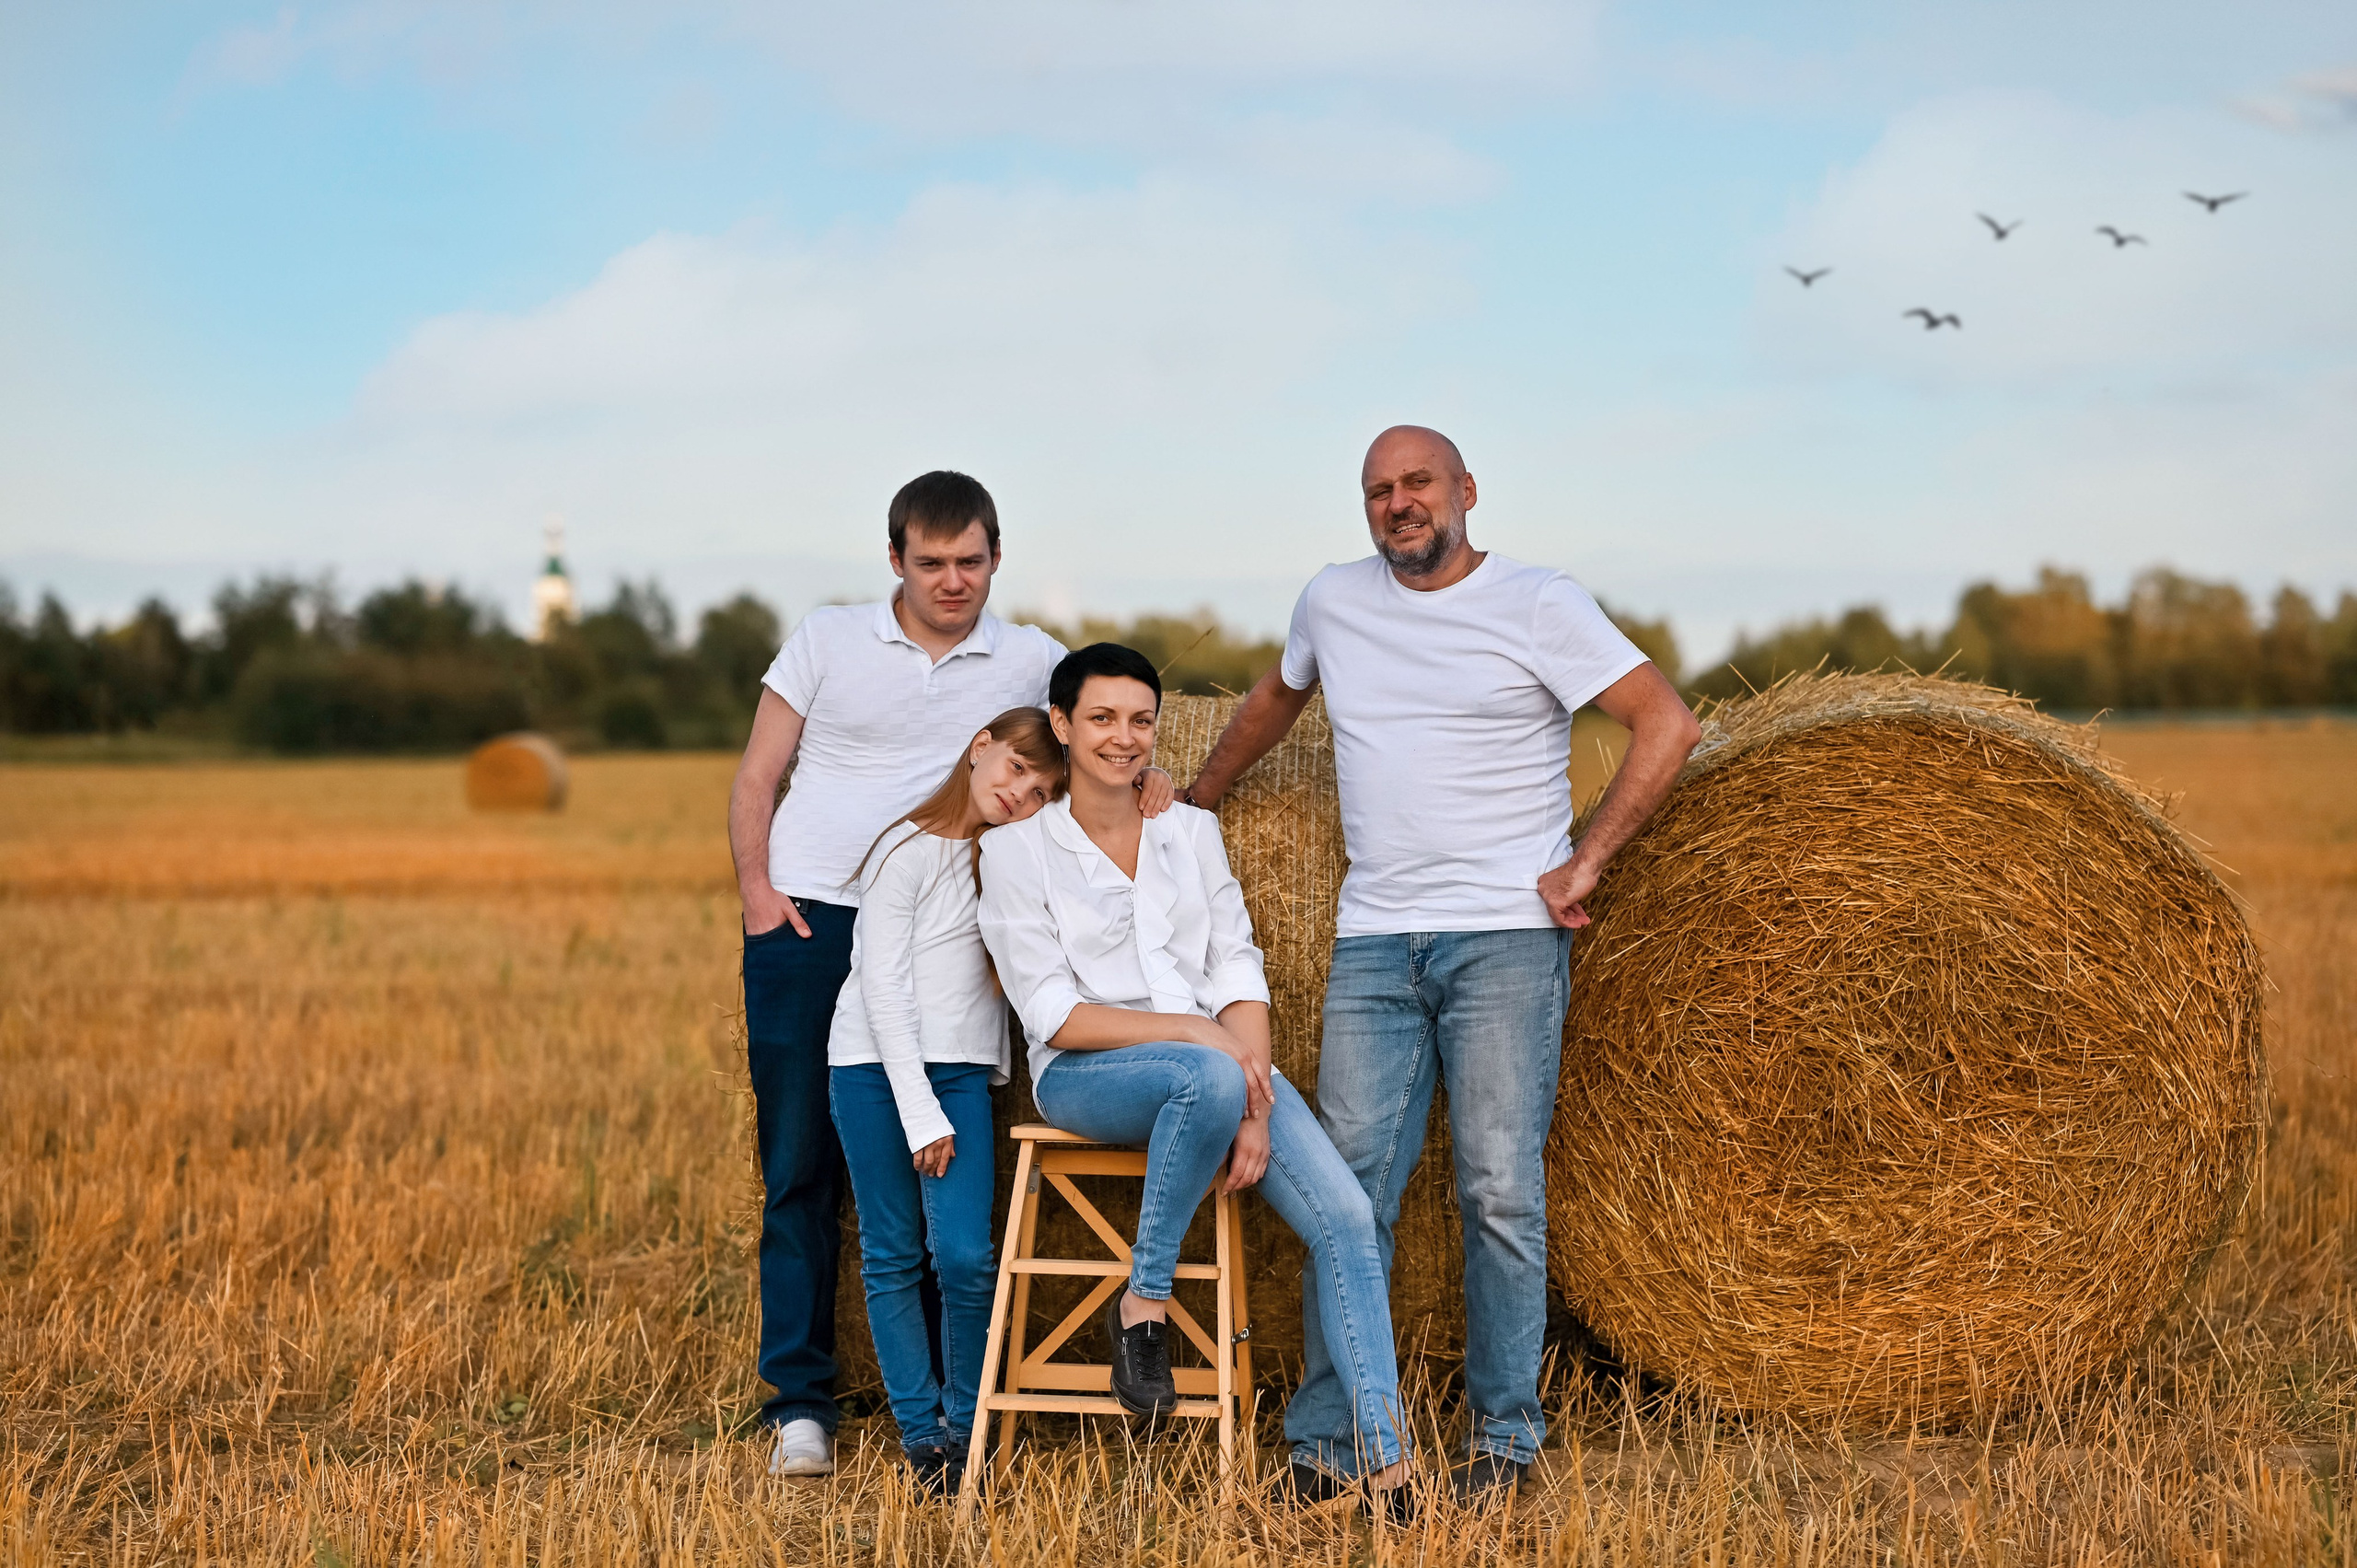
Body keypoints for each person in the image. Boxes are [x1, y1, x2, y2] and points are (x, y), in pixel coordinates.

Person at [1181, 426, 1702, 1501]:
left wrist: (1586, 859)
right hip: (1373, 938)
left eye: (1417, 482)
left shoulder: (1538, 602)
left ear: (1465, 490)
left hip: (1504, 939)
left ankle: (1503, 1435)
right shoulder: (1332, 600)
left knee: (1499, 1190)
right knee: (1346, 1196)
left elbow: (1666, 723)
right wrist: (1195, 802)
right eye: (1377, 489)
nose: (1398, 502)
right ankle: (1331, 1445)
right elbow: (1276, 697)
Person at [727, 471, 1171, 1478]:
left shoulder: (1031, 657)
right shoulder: (827, 638)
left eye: (970, 560)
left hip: (958, 919)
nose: (952, 579)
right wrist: (757, 891)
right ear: (895, 559)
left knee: (946, 1190)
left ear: (996, 557)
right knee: (798, 1162)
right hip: (810, 912)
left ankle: (942, 1414)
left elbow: (1098, 728)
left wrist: (1152, 779)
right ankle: (801, 1401)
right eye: (930, 562)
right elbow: (759, 772)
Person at [978, 644, 1419, 1519]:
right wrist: (1196, 1039)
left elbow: (1235, 967)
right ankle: (1145, 1301)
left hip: (1220, 1068)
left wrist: (1249, 1097)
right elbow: (1053, 1012)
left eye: (1141, 720)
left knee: (1347, 1217)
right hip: (1086, 1074)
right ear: (1062, 724)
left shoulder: (1189, 830)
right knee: (1204, 1074)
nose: (1124, 737)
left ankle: (1386, 1461)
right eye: (1102, 718)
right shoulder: (1018, 850)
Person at [829, 708, 1067, 1498]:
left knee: (965, 1256)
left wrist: (1153, 780)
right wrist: (920, 1110)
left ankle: (968, 1425)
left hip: (959, 1074)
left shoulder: (1013, 858)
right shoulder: (904, 850)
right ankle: (921, 1433)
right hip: (873, 1068)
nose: (1021, 793)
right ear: (980, 747)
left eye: (1041, 789)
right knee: (893, 1253)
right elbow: (882, 987)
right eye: (1017, 768)